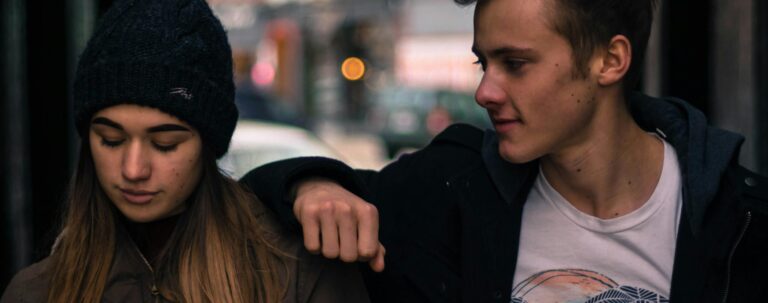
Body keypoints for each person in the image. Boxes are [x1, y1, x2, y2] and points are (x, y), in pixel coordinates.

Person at [241, 0, 768, 302]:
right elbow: (250, 197)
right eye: (482, 64)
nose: (484, 92)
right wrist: (312, 186)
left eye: (515, 64)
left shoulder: (739, 220)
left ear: (610, 61)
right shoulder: (453, 186)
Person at [0, 0, 370, 302]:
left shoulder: (297, 274)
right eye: (110, 140)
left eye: (165, 144)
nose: (133, 169)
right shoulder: (36, 291)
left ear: (208, 145)